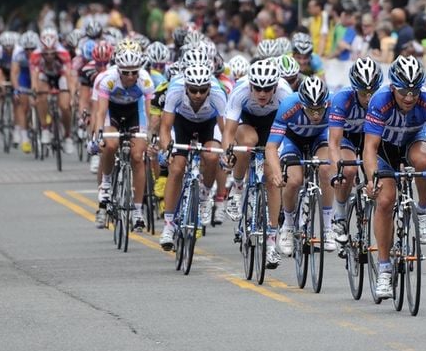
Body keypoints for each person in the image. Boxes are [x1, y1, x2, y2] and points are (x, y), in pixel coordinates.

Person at [363, 56, 426, 299]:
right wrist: (372, 179)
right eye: (403, 91)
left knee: (425, 161)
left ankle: (422, 211)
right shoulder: (379, 101)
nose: (409, 97)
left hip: (413, 141)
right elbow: (370, 147)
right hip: (385, 148)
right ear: (393, 87)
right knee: (384, 200)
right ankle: (384, 268)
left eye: (414, 91)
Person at [223, 58, 295, 267]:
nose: (262, 93)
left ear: (275, 86)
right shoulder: (240, 91)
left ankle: (271, 242)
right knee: (248, 141)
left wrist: (280, 161)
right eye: (258, 88)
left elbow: (290, 133)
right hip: (246, 123)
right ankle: (237, 189)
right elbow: (228, 131)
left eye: (267, 88)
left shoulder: (285, 93)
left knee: (273, 179)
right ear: (251, 85)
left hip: (274, 125)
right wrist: (228, 154)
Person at [157, 61, 229, 249]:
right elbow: (165, 127)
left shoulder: (217, 93)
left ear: (208, 88)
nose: (198, 95)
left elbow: (225, 129)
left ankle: (205, 197)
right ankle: (169, 225)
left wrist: (227, 153)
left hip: (208, 125)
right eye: (194, 90)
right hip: (182, 124)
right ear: (186, 87)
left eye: (202, 90)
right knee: (177, 167)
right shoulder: (175, 90)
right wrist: (166, 150)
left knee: (212, 157)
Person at [266, 75, 336, 258]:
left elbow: (339, 142)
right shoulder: (289, 105)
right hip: (292, 140)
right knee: (294, 180)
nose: (315, 115)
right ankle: (288, 225)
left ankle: (328, 227)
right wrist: (275, 172)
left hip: (320, 138)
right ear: (302, 104)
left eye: (319, 109)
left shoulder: (334, 104)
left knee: (326, 170)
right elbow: (271, 147)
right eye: (310, 109)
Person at [90, 47, 155, 229]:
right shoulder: (108, 80)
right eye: (126, 73)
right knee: (110, 145)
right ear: (118, 70)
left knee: (137, 157)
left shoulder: (145, 80)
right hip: (113, 112)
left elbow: (151, 113)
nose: (130, 76)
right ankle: (106, 184)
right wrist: (98, 136)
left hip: (136, 112)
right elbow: (100, 112)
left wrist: (151, 135)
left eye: (134, 72)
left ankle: (137, 211)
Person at [328, 58, 382, 244]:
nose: (368, 97)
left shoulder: (384, 98)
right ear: (354, 88)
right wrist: (338, 171)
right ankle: (340, 215)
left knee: (379, 176)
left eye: (372, 92)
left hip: (371, 138)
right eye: (363, 92)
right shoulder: (342, 99)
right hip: (348, 137)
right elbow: (334, 142)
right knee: (349, 169)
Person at [31, 29, 75, 155]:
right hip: (45, 76)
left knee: (65, 106)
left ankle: (67, 136)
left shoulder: (64, 54)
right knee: (41, 95)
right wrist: (35, 91)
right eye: (46, 53)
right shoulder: (35, 55)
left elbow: (68, 77)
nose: (49, 56)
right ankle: (45, 127)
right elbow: (34, 76)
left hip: (60, 75)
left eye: (52, 53)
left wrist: (72, 94)